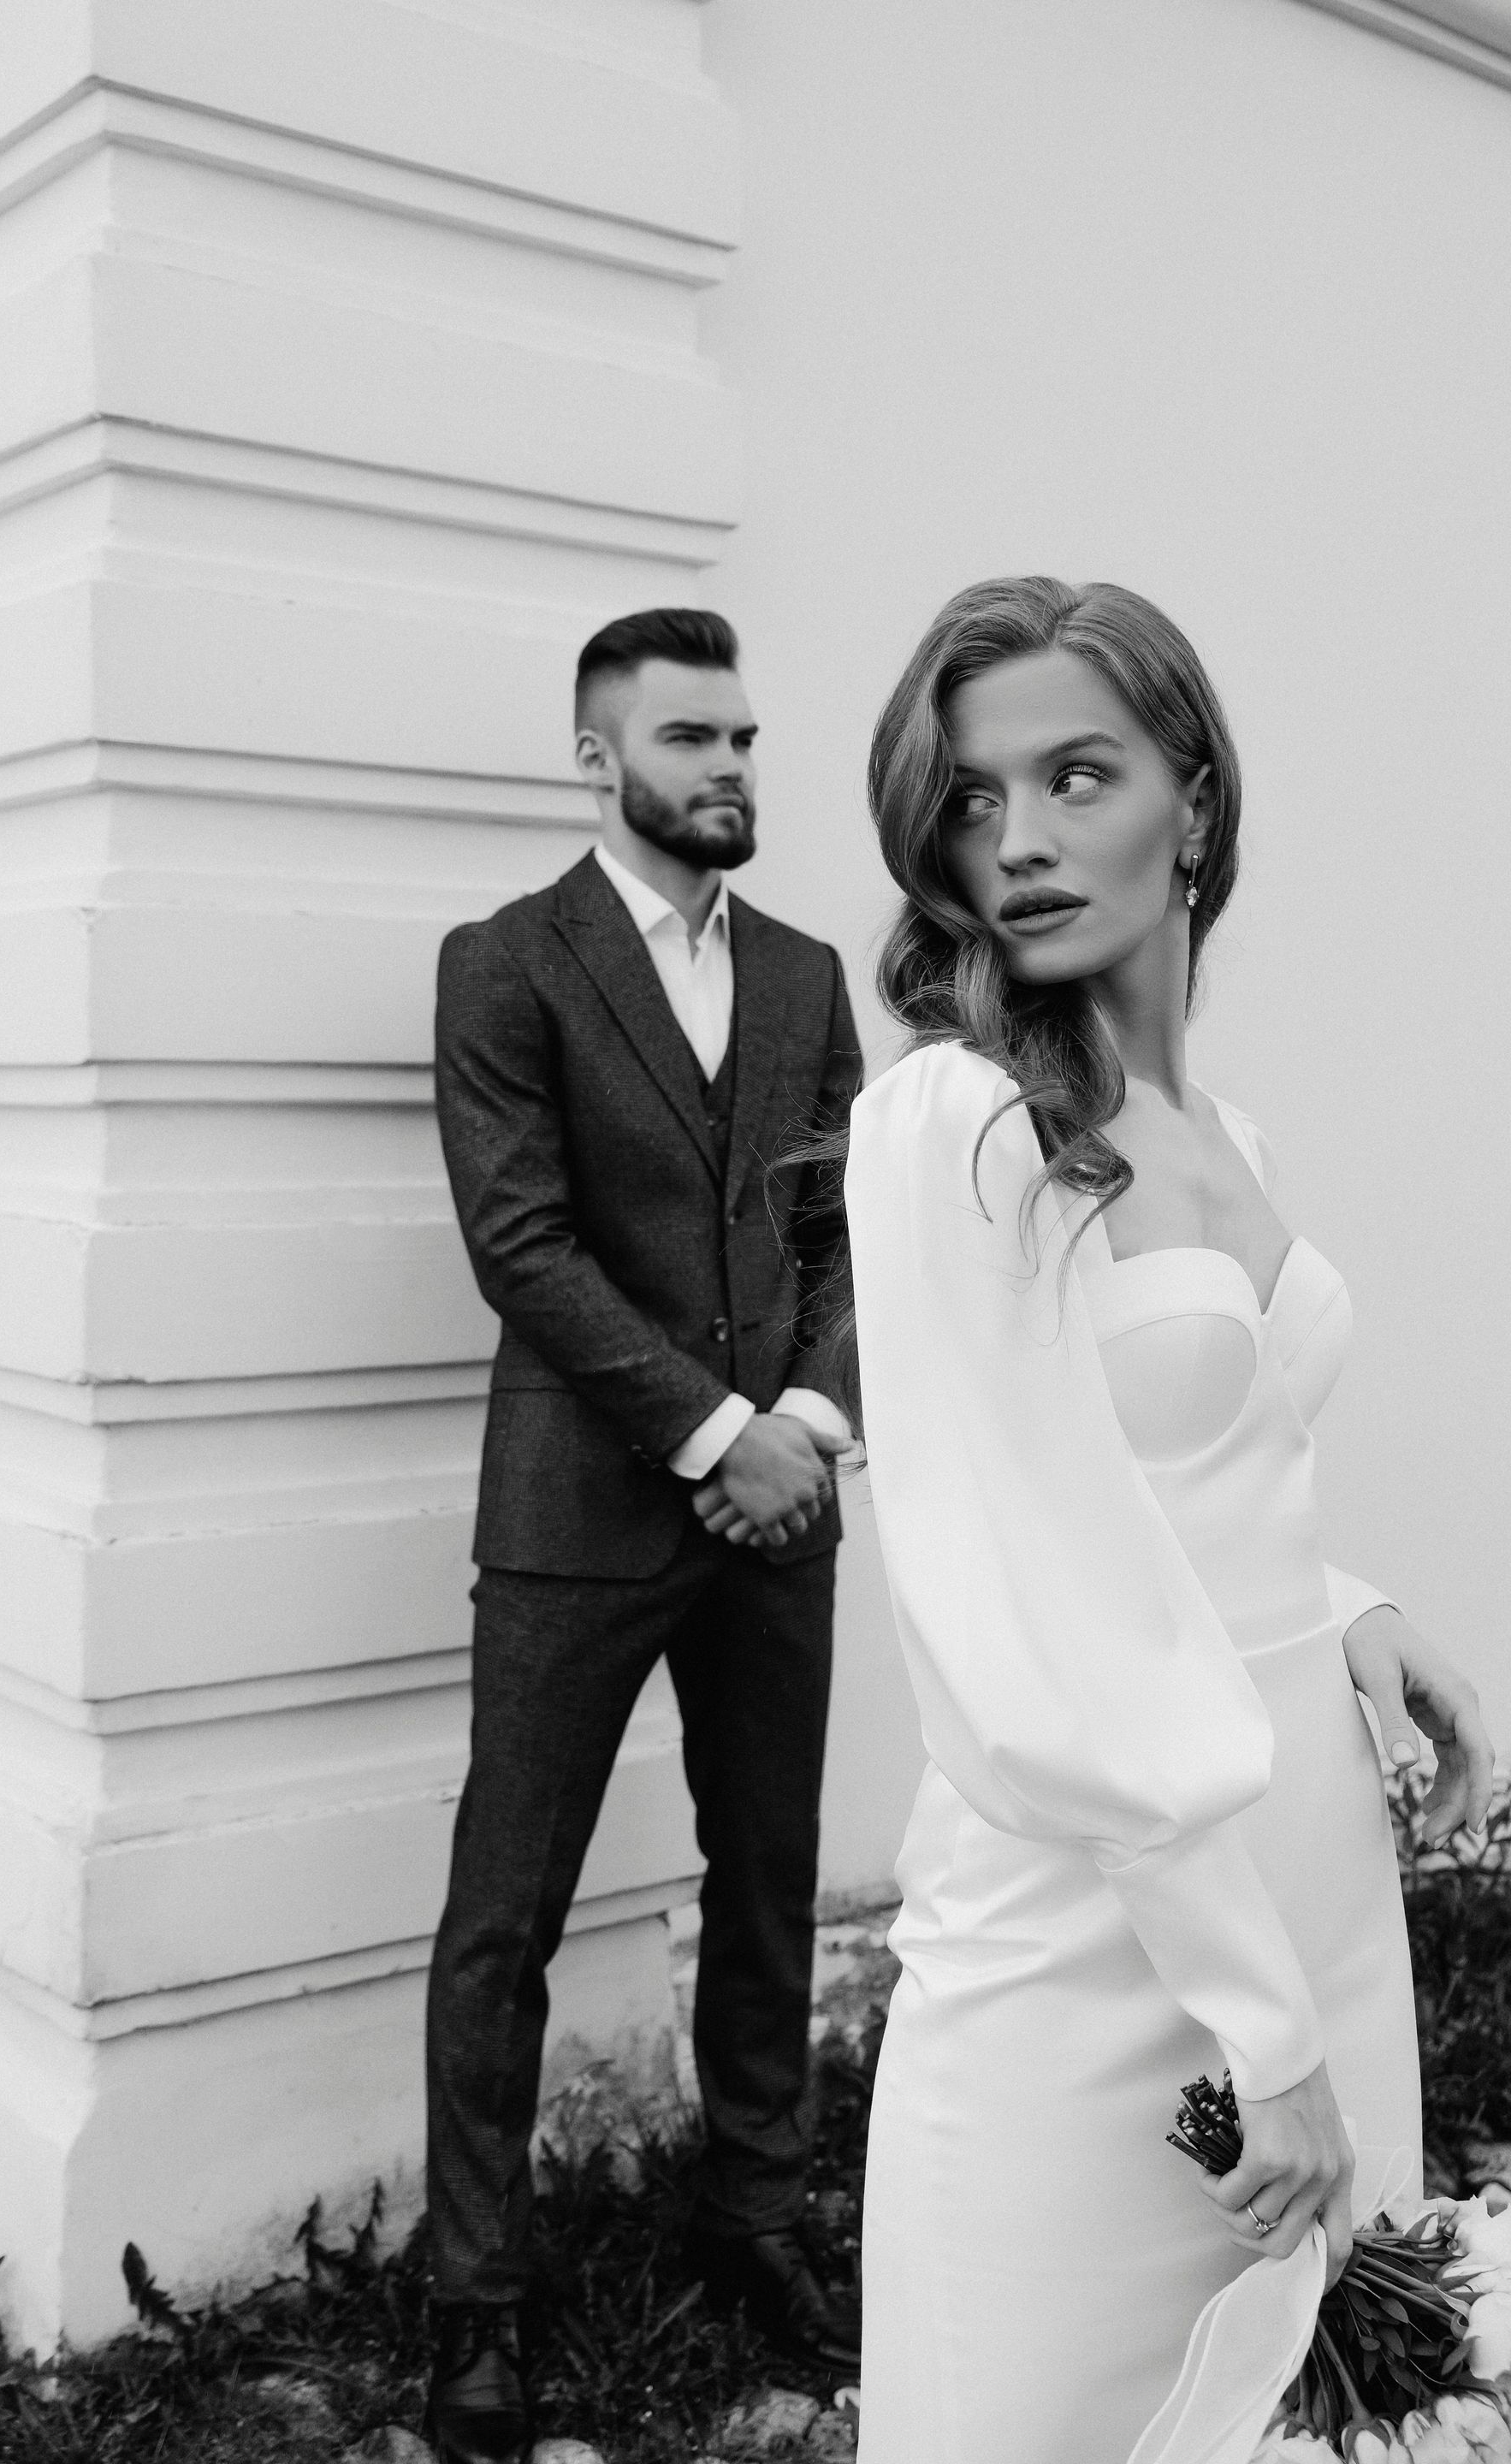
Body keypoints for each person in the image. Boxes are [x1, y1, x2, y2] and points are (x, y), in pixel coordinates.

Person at [841, 578, 1496, 2462]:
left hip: (1310, 1868)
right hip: (1094, 1931)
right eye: (973, 799)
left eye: (1077, 774)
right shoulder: (959, 1127)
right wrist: (1252, 2023)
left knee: (1281, 2414)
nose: (1023, 840)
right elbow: (1019, 1578)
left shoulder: (1239, 1140)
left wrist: (1348, 1602)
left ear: (1193, 801)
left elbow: (1186, 1473)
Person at [424, 607, 864, 2464]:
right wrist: (714, 1436)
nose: (734, 769)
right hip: (577, 1514)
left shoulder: (810, 970)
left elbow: (846, 1234)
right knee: (501, 1919)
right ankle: (477, 2305)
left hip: (786, 1512)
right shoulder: (506, 964)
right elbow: (519, 1244)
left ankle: (753, 2223)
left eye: (747, 738)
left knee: (767, 1887)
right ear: (596, 758)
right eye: (693, 740)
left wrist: (814, 1426)